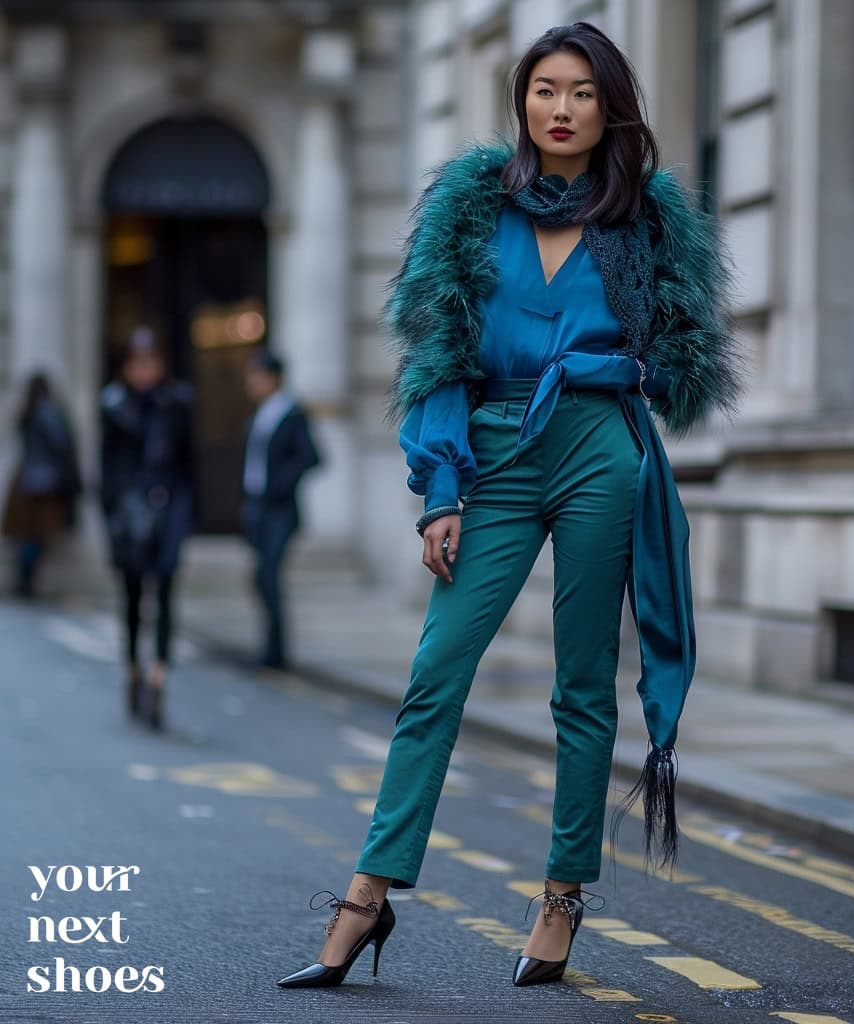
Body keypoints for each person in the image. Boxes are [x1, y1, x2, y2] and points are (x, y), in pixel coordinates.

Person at [277, 22, 741, 991]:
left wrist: (644, 364)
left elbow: (685, 358)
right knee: (435, 672)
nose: (559, 108)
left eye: (579, 91)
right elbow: (437, 356)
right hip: (491, 446)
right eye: (543, 89)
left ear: (607, 106)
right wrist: (438, 489)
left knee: (581, 686)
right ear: (520, 101)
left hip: (598, 449)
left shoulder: (644, 221)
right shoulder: (470, 209)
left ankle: (562, 894)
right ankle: (368, 893)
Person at [100, 328, 195, 728]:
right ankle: (133, 670)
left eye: (150, 362)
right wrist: (113, 515)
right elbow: (106, 470)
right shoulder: (115, 406)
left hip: (169, 510)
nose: (144, 371)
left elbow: (189, 466)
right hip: (129, 516)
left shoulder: (177, 403)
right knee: (133, 599)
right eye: (137, 363)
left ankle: (158, 674)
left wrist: (188, 515)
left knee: (167, 594)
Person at [240, 350, 321, 671]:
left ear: (271, 378)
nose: (251, 383)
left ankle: (275, 654)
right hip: (257, 506)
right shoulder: (260, 414)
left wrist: (279, 485)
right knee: (260, 578)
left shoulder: (292, 413)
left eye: (255, 376)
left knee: (270, 576)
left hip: (280, 510)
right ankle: (269, 647)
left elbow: (312, 456)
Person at [2, 372, 80, 598]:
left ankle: (24, 579)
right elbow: (61, 445)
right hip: (44, 482)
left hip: (27, 479)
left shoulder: (27, 411)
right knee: (36, 534)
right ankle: (25, 580)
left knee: (30, 534)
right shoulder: (47, 412)